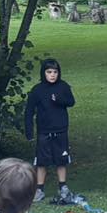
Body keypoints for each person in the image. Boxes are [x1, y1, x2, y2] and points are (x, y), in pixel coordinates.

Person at [22, 57, 78, 205]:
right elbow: (29, 111)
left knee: (61, 160)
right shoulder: (37, 90)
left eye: (55, 72)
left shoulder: (63, 86)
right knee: (42, 161)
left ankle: (63, 186)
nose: (52, 75)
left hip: (60, 129)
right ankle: (39, 189)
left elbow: (71, 102)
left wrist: (59, 100)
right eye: (49, 72)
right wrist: (29, 130)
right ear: (43, 73)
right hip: (44, 130)